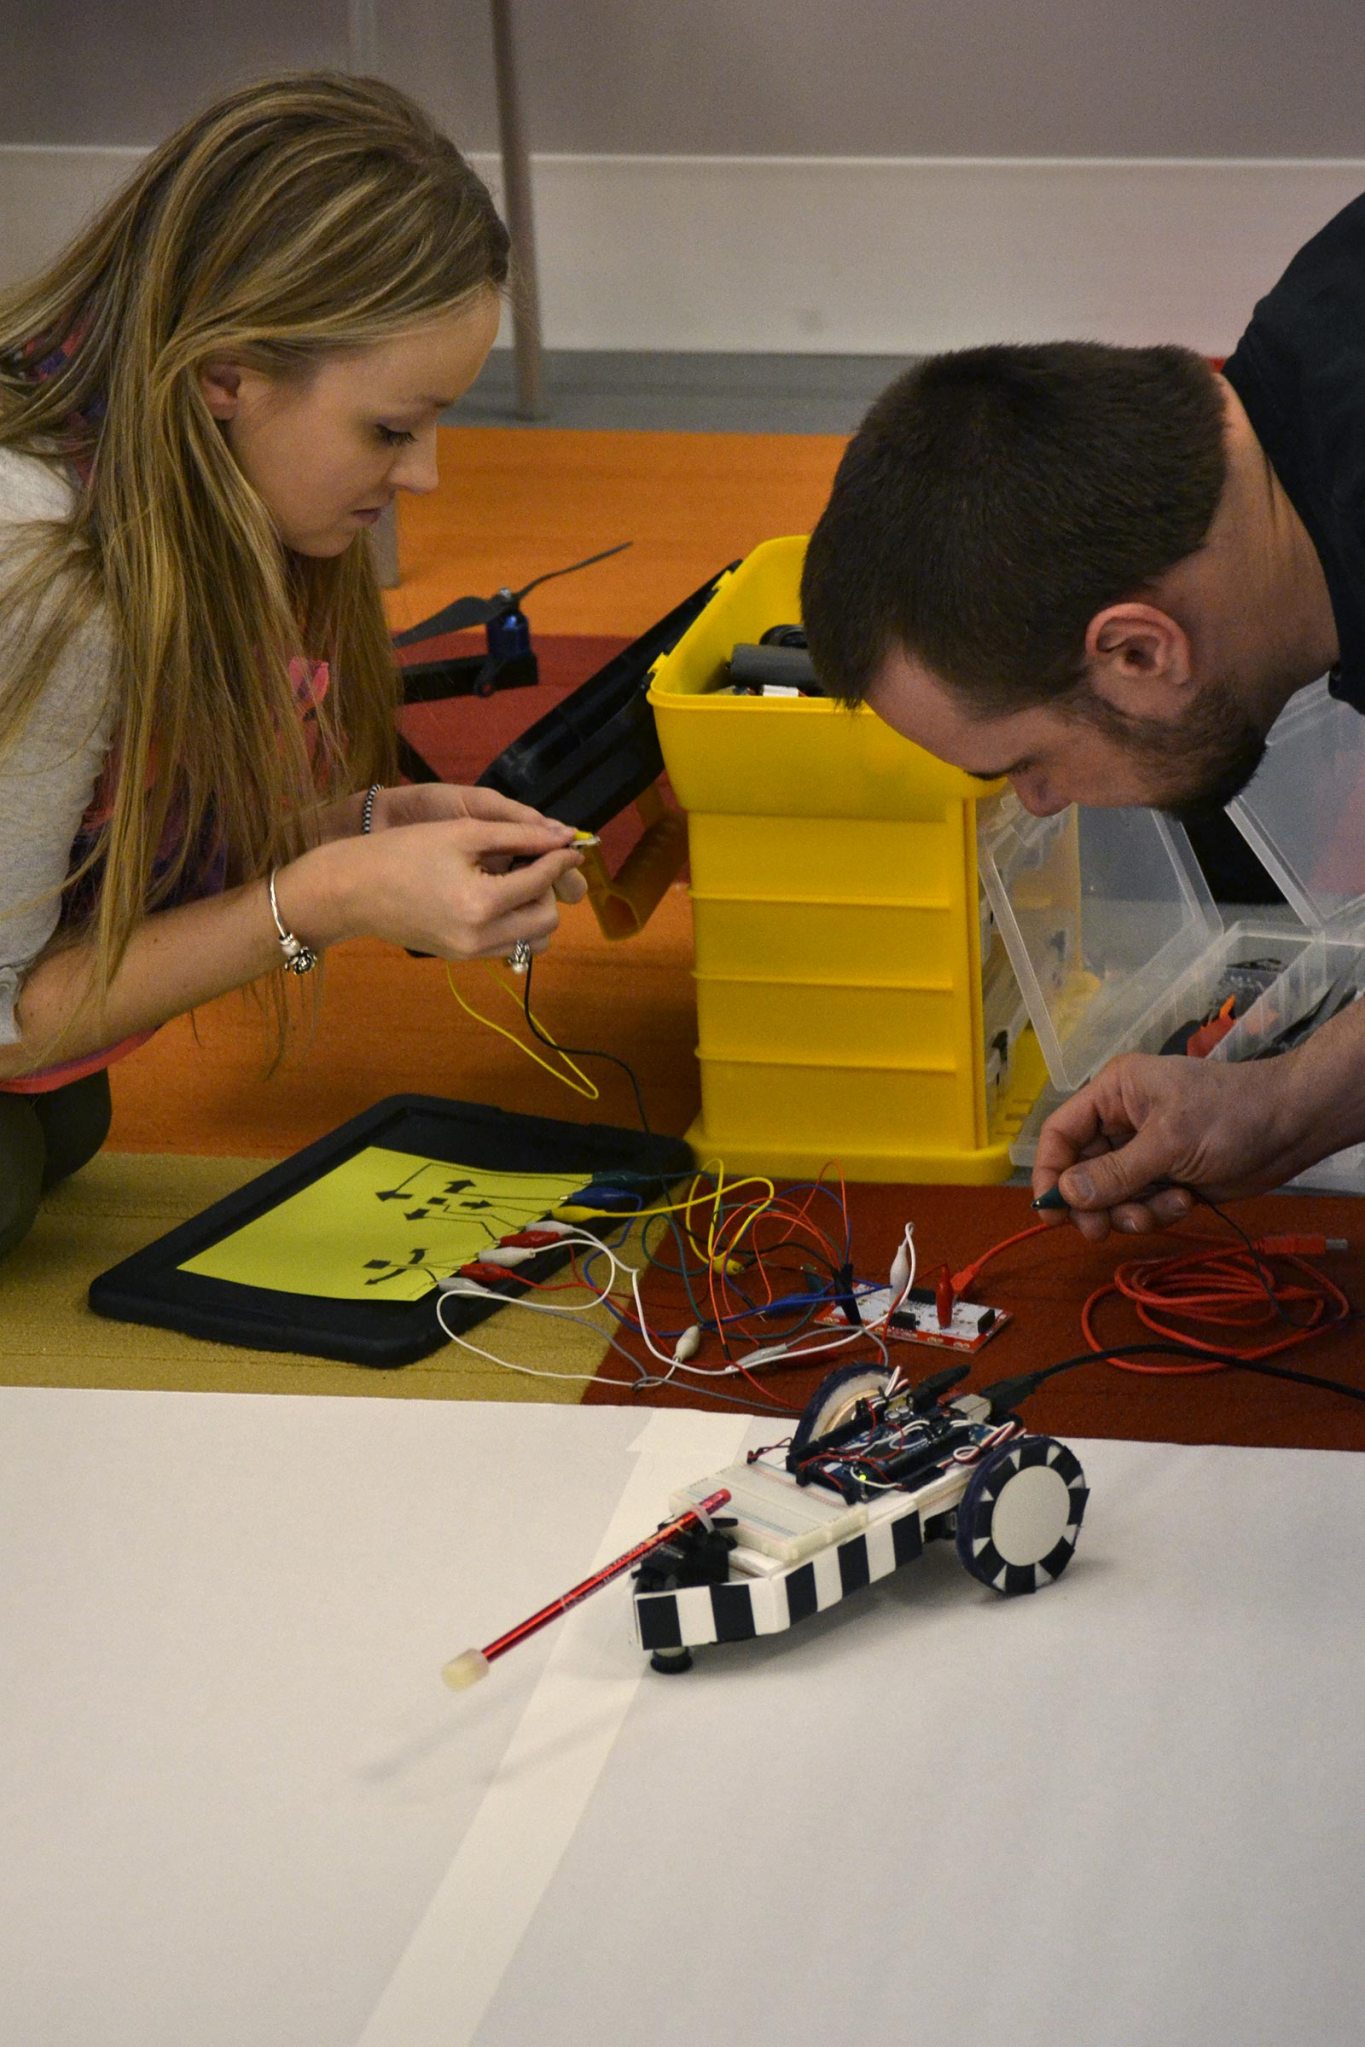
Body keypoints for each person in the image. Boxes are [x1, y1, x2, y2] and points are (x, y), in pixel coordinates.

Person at [0, 73, 588, 1263]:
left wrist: (353, 826)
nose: (420, 478)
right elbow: (6, 1016)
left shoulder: (166, 486)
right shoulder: (48, 573)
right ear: (228, 376)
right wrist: (325, 896)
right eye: (389, 428)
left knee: (63, 1119)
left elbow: (108, 842)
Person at [800, 194, 1365, 1241]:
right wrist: (1281, 1106)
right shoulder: (1322, 319)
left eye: (1028, 763)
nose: (1040, 802)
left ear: (1140, 650)